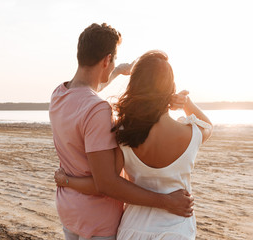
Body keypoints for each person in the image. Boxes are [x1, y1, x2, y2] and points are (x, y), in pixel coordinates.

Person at [49, 23, 194, 240]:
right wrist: (167, 202)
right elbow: (106, 183)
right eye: (113, 60)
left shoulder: (59, 94)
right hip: (97, 219)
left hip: (69, 210)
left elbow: (86, 94)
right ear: (106, 59)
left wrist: (116, 71)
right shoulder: (97, 109)